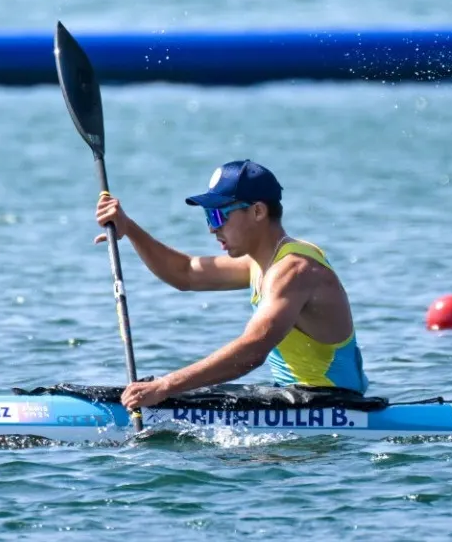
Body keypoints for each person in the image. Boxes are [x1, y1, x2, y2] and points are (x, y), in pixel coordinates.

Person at [93, 159, 368, 412]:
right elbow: (185, 273)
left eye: (218, 216)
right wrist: (129, 229)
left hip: (333, 406)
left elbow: (252, 350)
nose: (212, 229)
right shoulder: (262, 262)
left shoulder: (295, 270)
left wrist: (165, 386)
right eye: (208, 217)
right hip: (300, 399)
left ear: (258, 211)